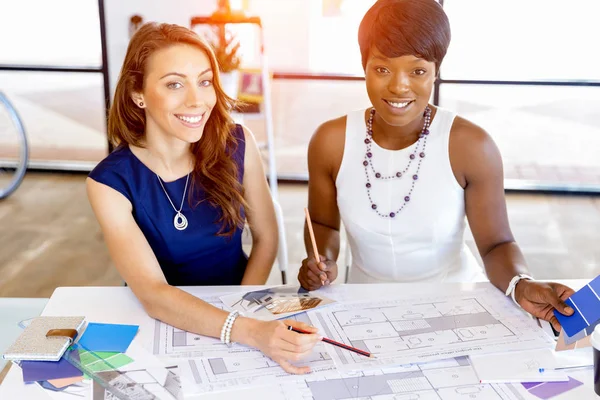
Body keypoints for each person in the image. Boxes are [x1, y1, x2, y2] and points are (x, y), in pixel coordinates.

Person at [298, 0, 574, 331]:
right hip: (364, 309)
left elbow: (496, 244)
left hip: (455, 304)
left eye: (417, 71)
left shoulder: (471, 146)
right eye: (382, 68)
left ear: (435, 71)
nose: (399, 86)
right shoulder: (331, 141)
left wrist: (521, 284)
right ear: (364, 66)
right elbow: (322, 224)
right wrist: (322, 262)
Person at [87, 22, 320, 374]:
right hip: (164, 321)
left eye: (205, 81)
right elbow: (152, 292)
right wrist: (249, 331)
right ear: (138, 93)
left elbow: (267, 238)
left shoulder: (238, 143)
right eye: (175, 84)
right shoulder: (109, 181)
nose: (197, 100)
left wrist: (241, 313)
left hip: (242, 304)